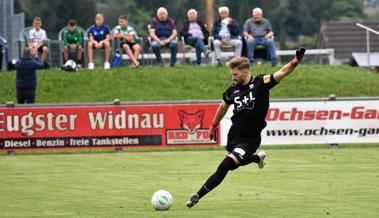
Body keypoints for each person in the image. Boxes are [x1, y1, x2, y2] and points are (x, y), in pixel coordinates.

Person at [186, 48, 306, 208]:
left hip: (250, 139)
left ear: (245, 71)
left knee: (226, 165)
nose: (233, 77)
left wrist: (295, 61)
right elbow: (223, 107)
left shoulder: (261, 83)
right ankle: (257, 158)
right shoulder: (232, 90)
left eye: (235, 74)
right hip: (234, 135)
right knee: (234, 164)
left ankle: (197, 195)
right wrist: (214, 125)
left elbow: (282, 72)